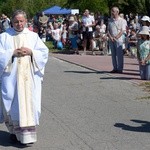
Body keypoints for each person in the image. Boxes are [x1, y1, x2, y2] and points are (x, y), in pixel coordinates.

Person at [0, 10, 49, 145]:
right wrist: (12, 52)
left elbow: (44, 52)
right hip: (10, 78)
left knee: (29, 103)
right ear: (11, 22)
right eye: (16, 21)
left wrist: (31, 51)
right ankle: (14, 133)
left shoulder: (33, 36)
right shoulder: (4, 37)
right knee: (9, 104)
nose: (19, 24)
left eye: (21, 21)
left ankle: (27, 136)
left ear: (26, 21)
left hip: (29, 78)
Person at [107, 6, 126, 73]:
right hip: (111, 39)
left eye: (113, 11)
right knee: (113, 55)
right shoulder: (110, 20)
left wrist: (116, 38)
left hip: (119, 40)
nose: (112, 12)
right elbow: (108, 31)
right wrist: (110, 37)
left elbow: (122, 30)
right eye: (111, 11)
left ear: (117, 12)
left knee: (119, 55)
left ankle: (120, 69)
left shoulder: (122, 20)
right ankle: (115, 68)